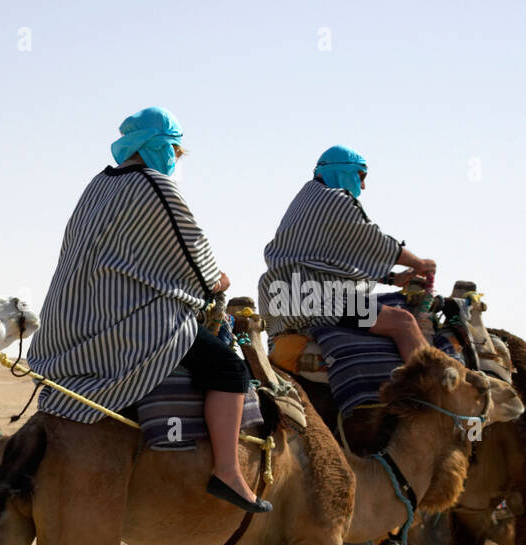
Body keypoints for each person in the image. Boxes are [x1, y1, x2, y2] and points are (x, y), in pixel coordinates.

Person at [26, 107, 268, 513]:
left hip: (64, 332)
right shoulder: (156, 187)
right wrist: (220, 281)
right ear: (159, 146)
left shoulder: (98, 184)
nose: (175, 158)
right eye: (175, 149)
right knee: (230, 369)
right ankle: (228, 471)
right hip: (124, 328)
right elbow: (203, 270)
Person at [258, 145, 437, 360]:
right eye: (360, 176)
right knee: (404, 322)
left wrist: (391, 278)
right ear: (342, 171)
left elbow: (332, 258)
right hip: (315, 300)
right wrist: (420, 263)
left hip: (282, 302)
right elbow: (373, 242)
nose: (362, 185)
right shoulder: (335, 200)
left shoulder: (308, 197)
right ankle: (425, 385)